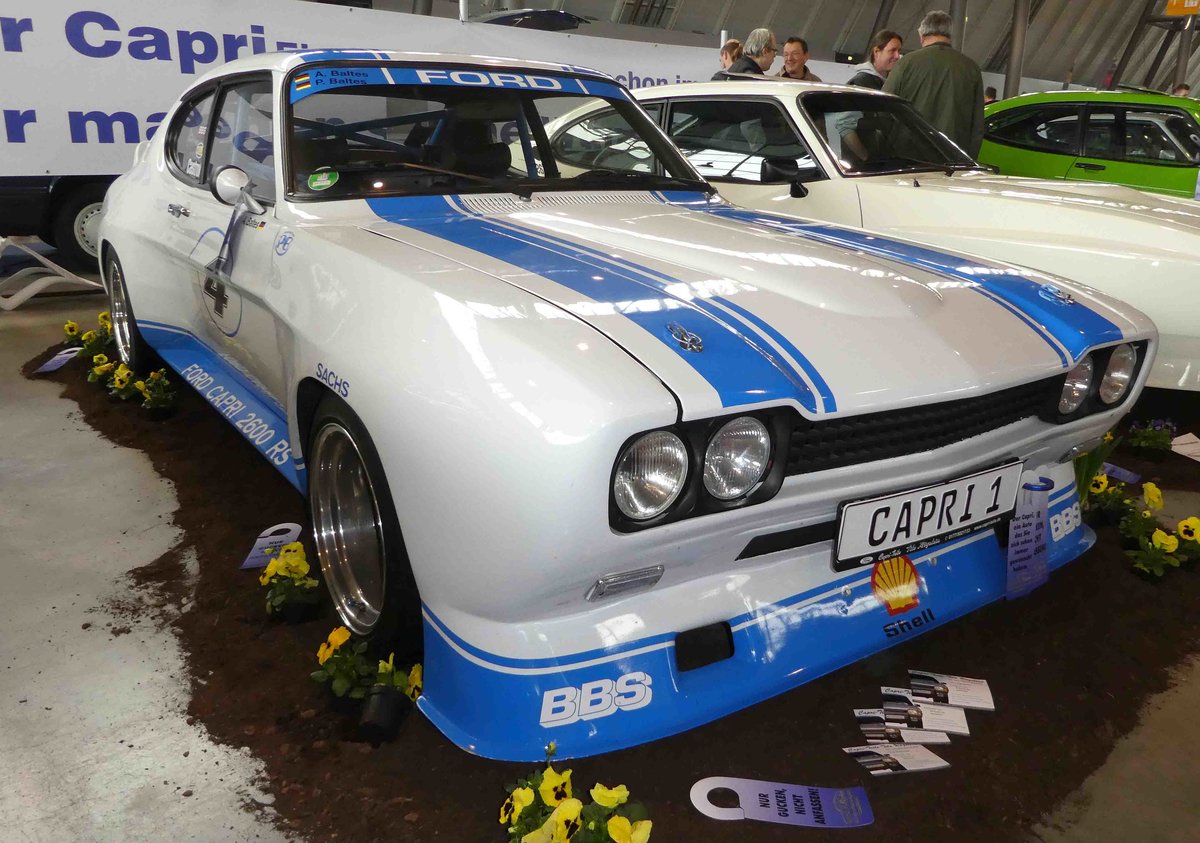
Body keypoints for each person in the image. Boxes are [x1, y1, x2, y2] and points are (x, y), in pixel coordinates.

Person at [883, 10, 985, 157]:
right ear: (950, 35)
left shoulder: (906, 63)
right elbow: (977, 126)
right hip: (953, 158)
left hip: (908, 156)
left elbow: (884, 109)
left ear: (921, 35)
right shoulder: (971, 68)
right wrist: (968, 159)